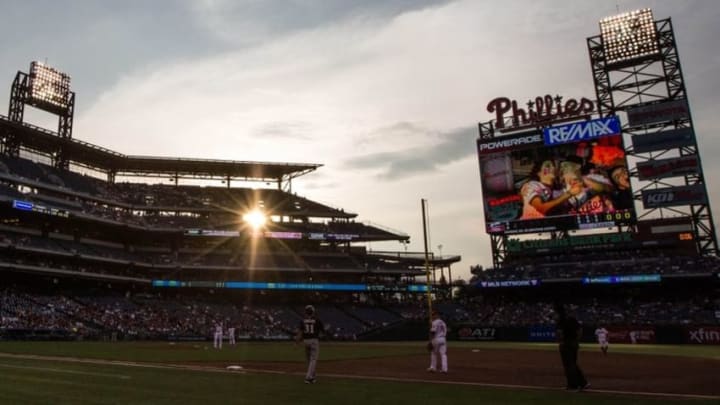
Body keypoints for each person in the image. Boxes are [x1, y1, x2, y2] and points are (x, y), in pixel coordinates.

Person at [554, 303, 589, 391]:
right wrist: (577, 340)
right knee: (573, 364)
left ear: (557, 312)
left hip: (566, 344)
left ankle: (573, 385)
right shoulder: (571, 318)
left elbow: (559, 333)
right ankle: (583, 383)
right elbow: (580, 330)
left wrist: (560, 342)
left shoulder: (561, 320)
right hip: (574, 343)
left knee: (568, 365)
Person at [296, 305, 324, 384]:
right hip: (314, 340)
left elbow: (300, 332)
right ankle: (308, 377)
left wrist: (297, 341)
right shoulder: (317, 320)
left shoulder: (302, 320)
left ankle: (312, 377)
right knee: (313, 359)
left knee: (309, 360)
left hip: (306, 341)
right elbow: (322, 332)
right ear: (313, 312)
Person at [427, 309, 448, 373]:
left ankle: (433, 367)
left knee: (433, 353)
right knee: (443, 354)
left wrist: (430, 341)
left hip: (436, 339)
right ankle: (444, 369)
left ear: (437, 315)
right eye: (432, 315)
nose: (432, 316)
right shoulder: (443, 322)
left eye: (433, 315)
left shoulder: (434, 322)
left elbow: (433, 332)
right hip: (443, 339)